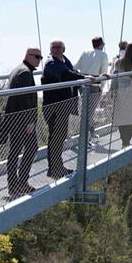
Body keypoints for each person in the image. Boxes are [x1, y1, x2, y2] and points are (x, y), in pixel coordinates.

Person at [42, 40, 92, 179]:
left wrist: (90, 77)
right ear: (50, 49)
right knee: (56, 138)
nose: (56, 50)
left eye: (59, 47)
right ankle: (54, 169)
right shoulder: (51, 63)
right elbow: (66, 75)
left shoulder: (65, 61)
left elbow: (73, 72)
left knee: (59, 137)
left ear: (64, 49)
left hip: (62, 106)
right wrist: (85, 78)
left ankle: (57, 167)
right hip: (54, 107)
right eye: (53, 47)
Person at [4, 48, 40, 196]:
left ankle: (15, 185)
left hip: (16, 118)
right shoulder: (25, 72)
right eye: (37, 57)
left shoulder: (18, 69)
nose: (39, 60)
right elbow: (25, 98)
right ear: (28, 56)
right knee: (30, 148)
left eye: (41, 57)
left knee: (15, 152)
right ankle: (21, 183)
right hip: (22, 121)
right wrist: (30, 121)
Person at [74, 36, 110, 142]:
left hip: (83, 85)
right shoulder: (103, 55)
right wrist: (101, 87)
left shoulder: (85, 53)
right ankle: (85, 137)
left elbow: (75, 67)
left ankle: (91, 133)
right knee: (89, 112)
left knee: (87, 110)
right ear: (101, 44)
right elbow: (104, 72)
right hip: (95, 86)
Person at [110, 43, 132, 147]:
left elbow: (114, 77)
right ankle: (127, 140)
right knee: (131, 116)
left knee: (121, 115)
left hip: (120, 90)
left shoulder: (118, 62)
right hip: (131, 91)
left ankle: (123, 138)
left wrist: (112, 90)